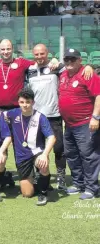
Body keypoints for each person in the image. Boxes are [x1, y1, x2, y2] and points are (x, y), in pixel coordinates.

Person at [26, 44, 94, 191]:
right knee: (37, 148)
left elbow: (76, 67)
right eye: (36, 54)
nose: (39, 57)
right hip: (36, 116)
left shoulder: (58, 67)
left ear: (47, 53)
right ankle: (41, 175)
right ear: (33, 55)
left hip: (54, 115)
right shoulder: (30, 69)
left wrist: (89, 65)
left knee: (59, 148)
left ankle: (61, 177)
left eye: (42, 54)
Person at [59, 48, 100, 200]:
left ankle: (91, 188)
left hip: (85, 124)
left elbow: (98, 95)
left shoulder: (87, 74)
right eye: (67, 59)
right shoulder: (63, 74)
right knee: (72, 155)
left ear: (79, 60)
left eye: (73, 59)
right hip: (69, 125)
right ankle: (78, 183)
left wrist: (96, 117)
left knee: (89, 156)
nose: (69, 62)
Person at [5, 88, 56, 206]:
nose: (25, 105)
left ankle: (43, 192)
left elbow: (52, 138)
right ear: (18, 102)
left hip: (37, 152)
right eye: (22, 102)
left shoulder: (40, 117)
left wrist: (44, 154)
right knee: (27, 193)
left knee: (43, 164)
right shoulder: (12, 113)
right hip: (22, 155)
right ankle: (41, 181)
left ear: (33, 102)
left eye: (28, 102)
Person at [0, 39, 35, 111]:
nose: (5, 52)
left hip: (17, 108)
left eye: (8, 49)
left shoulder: (21, 62)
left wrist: (53, 61)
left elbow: (39, 63)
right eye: (3, 49)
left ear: (12, 49)